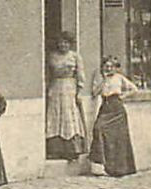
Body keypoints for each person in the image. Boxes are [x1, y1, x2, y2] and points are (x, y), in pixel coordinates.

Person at [89, 56, 139, 178]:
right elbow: (95, 93)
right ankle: (104, 164)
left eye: (112, 67)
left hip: (117, 109)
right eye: (106, 66)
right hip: (105, 107)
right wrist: (103, 81)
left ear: (116, 68)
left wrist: (122, 97)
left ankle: (120, 169)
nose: (109, 69)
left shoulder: (120, 78)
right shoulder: (103, 80)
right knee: (98, 129)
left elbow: (134, 89)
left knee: (118, 138)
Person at [45, 32, 87, 161]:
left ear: (70, 44)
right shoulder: (52, 56)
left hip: (69, 87)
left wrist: (79, 91)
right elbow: (48, 74)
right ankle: (55, 149)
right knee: (55, 115)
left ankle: (72, 150)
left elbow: (80, 75)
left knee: (69, 115)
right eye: (61, 42)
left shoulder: (75, 56)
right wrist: (48, 88)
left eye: (66, 42)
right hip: (55, 87)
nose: (63, 45)